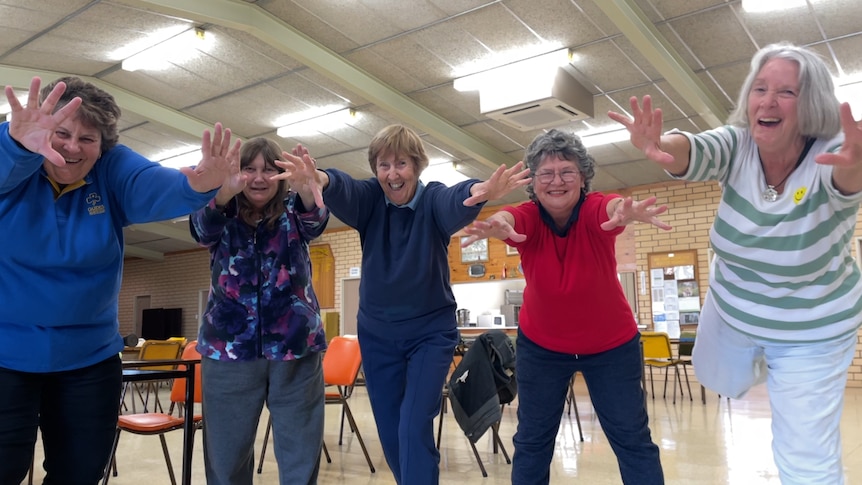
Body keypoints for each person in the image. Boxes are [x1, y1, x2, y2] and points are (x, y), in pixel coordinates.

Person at [608, 42, 862, 484]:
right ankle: (766, 360)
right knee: (714, 375)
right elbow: (691, 150)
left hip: (812, 328)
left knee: (806, 455)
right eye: (760, 88)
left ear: (813, 104)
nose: (767, 100)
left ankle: (785, 371)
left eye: (786, 92)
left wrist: (857, 167)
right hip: (735, 307)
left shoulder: (832, 155)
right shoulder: (739, 144)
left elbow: (848, 177)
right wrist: (659, 145)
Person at [0, 76, 236, 483]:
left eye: (87, 138)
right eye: (62, 133)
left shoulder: (111, 169)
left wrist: (197, 184)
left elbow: (149, 184)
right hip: (6, 353)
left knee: (80, 472)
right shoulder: (13, 157)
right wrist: (15, 148)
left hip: (88, 356)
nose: (72, 147)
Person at [275, 124, 530, 485]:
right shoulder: (369, 201)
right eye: (383, 165)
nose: (392, 174)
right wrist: (319, 177)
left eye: (401, 164)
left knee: (413, 424)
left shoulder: (432, 201)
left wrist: (481, 191)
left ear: (418, 166)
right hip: (378, 334)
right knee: (392, 431)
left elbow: (455, 198)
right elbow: (343, 186)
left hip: (429, 333)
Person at [460, 129, 669, 485]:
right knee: (532, 441)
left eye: (567, 171)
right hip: (543, 349)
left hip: (611, 347)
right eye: (546, 173)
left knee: (632, 440)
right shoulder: (529, 216)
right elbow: (512, 220)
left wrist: (623, 211)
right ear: (534, 181)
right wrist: (500, 225)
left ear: (583, 177)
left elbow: (611, 209)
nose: (556, 181)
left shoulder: (593, 209)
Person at [189, 136, 329, 485]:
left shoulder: (295, 210)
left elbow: (316, 222)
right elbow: (199, 230)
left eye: (269, 170)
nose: (259, 178)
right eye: (249, 169)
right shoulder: (221, 213)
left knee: (300, 451)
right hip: (228, 350)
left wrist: (308, 190)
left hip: (294, 348)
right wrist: (223, 192)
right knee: (226, 457)